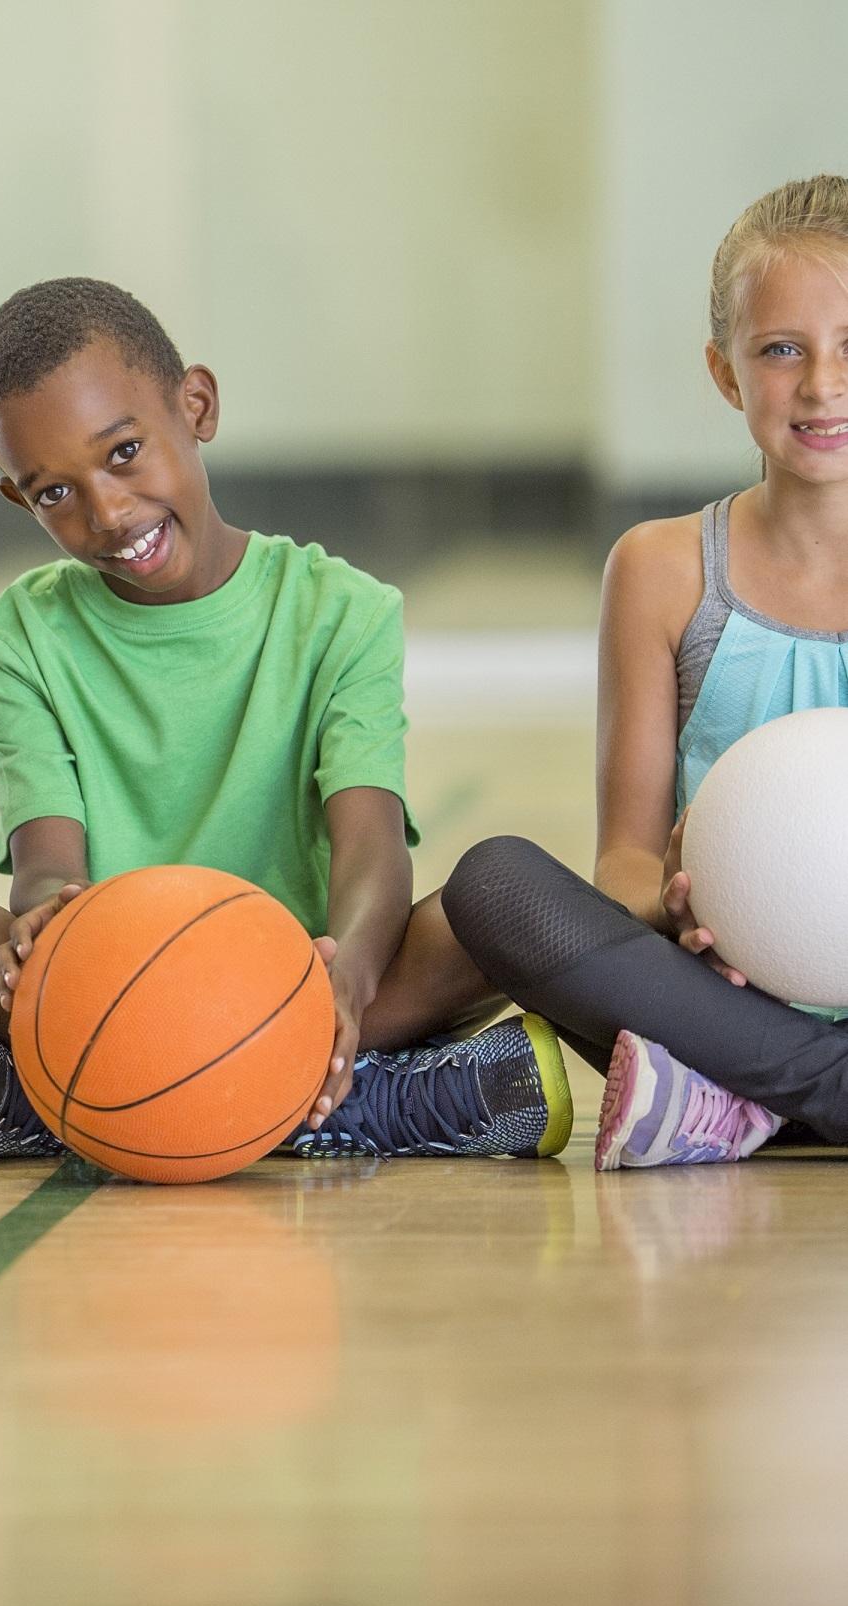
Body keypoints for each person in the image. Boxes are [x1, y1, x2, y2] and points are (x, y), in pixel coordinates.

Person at [0, 277, 570, 1166]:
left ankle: (72, 1103)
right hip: (119, 982)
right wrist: (44, 922)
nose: (107, 512)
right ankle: (353, 1100)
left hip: (301, 979)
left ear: (195, 406)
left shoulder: (341, 610)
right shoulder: (18, 638)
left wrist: (346, 981)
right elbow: (49, 860)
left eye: (124, 451)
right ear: (19, 498)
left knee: (497, 906)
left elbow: (369, 845)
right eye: (53, 492)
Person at [446, 175, 848, 1171]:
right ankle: (806, 1086)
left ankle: (743, 1100)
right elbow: (620, 860)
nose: (819, 385)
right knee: (493, 883)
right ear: (723, 373)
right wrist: (675, 903)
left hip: (724, 1051)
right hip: (715, 994)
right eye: (779, 349)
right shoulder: (662, 567)